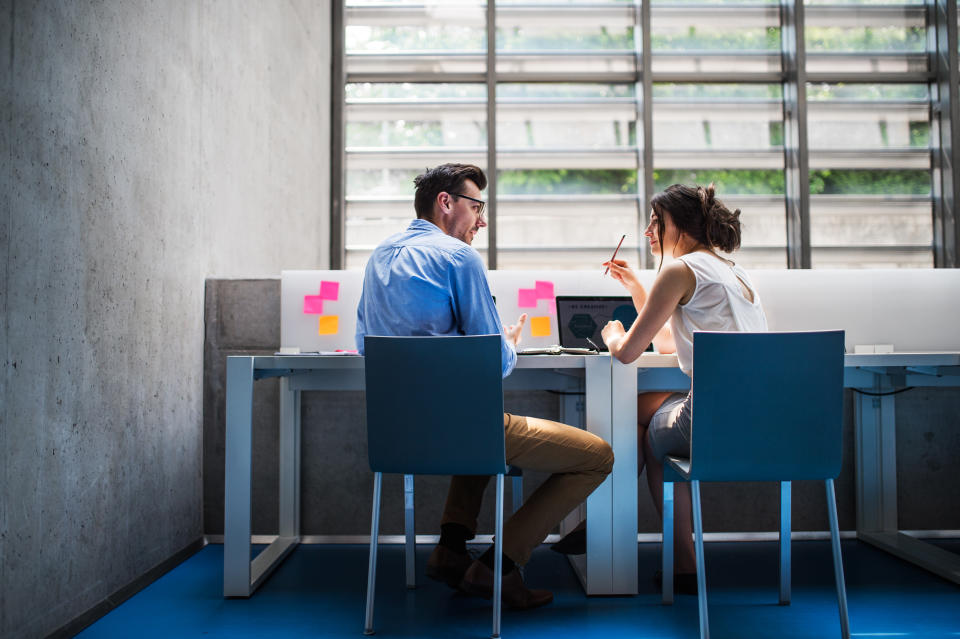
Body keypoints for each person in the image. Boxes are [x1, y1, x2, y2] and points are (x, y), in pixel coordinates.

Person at [355, 163, 614, 610]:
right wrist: (507, 344)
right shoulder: (458, 258)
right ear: (446, 202)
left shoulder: (379, 256)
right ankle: (500, 567)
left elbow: (365, 346)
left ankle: (451, 551)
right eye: (477, 207)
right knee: (598, 457)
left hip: (394, 433)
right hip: (457, 430)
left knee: (476, 416)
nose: (483, 221)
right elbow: (492, 363)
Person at [552, 183, 767, 594]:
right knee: (644, 413)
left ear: (678, 225)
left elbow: (629, 352)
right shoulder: (732, 270)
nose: (648, 231)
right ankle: (675, 562)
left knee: (647, 432)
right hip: (765, 422)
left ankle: (603, 518)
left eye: (655, 221)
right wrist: (636, 287)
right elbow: (669, 341)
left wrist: (613, 332)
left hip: (714, 423)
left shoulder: (680, 269)